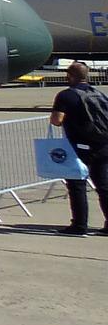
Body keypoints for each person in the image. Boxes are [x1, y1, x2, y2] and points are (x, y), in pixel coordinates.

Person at [49, 60, 108, 234]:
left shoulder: (66, 95)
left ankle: (79, 224)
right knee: (103, 185)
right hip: (103, 144)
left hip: (79, 146)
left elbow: (57, 120)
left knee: (77, 185)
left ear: (70, 76)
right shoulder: (98, 93)